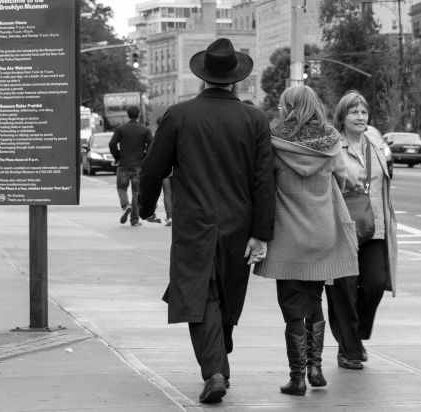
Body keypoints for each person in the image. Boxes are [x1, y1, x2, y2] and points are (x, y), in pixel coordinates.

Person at [138, 38, 275, 404]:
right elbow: (264, 180)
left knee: (199, 296)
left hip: (193, 224)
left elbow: (152, 170)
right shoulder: (255, 119)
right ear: (236, 80)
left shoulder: (179, 115)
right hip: (239, 225)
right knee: (225, 294)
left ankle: (215, 369)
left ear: (202, 77)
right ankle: (219, 357)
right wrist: (261, 233)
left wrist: (145, 207)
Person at [253, 85, 358, 396]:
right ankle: (316, 367)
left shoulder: (273, 140)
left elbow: (263, 183)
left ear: (288, 106)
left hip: (287, 236)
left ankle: (297, 377)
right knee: (314, 299)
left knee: (291, 306)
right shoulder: (331, 141)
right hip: (323, 231)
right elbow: (342, 179)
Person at [325, 91, 397, 370]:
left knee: (375, 283)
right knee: (343, 290)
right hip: (341, 229)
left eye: (364, 112)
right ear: (342, 117)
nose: (360, 117)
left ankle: (355, 334)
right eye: (354, 112)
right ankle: (349, 349)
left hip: (374, 226)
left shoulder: (375, 145)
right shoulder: (332, 146)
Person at [109, 106, 152, 227]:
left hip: (123, 164)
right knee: (137, 192)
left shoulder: (120, 129)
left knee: (121, 188)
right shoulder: (144, 130)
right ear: (138, 115)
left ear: (128, 115)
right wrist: (144, 156)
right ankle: (134, 220)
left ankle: (125, 205)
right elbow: (152, 145)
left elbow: (112, 144)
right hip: (138, 165)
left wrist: (117, 157)